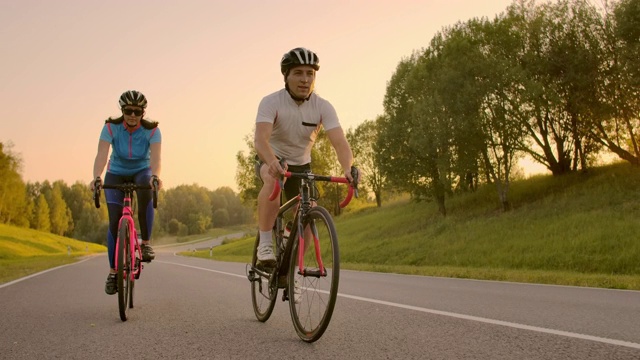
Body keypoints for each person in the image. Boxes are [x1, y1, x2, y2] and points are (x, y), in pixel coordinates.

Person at [254, 47, 356, 264]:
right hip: (273, 159)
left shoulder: (323, 106)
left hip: (302, 165)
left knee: (309, 214)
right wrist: (272, 162)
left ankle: (292, 272)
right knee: (273, 181)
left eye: (310, 74)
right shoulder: (271, 102)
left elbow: (340, 143)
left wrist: (348, 168)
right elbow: (260, 140)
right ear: (286, 76)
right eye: (298, 73)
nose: (305, 79)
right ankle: (264, 244)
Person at [91, 90, 163, 295]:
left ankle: (146, 243)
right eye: (128, 111)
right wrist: (97, 177)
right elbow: (101, 155)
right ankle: (113, 272)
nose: (132, 115)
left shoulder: (152, 130)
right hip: (116, 173)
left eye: (137, 111)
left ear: (143, 112)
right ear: (122, 111)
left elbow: (156, 159)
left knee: (147, 187)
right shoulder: (110, 127)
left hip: (142, 171)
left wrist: (155, 176)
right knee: (114, 221)